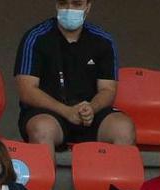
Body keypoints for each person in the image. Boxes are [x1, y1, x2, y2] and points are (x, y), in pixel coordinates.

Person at [13, 0, 135, 148]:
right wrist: (66, 111)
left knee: (124, 128)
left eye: (77, 4)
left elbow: (108, 89)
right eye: (64, 3)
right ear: (57, 5)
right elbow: (26, 90)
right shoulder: (36, 38)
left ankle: (116, 172)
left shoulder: (103, 40)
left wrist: (92, 108)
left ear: (88, 7)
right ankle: (46, 172)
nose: (69, 8)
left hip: (91, 115)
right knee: (42, 130)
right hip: (48, 113)